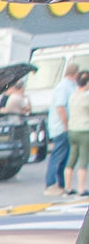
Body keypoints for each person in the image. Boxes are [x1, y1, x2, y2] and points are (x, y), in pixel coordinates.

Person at [46, 63, 78, 195]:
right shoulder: (64, 87)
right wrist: (66, 125)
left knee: (65, 156)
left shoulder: (69, 86)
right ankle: (51, 183)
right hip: (61, 127)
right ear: (74, 73)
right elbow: (61, 107)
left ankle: (62, 184)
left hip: (65, 125)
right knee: (58, 155)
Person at [68, 70, 89, 195]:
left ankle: (68, 187)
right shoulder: (86, 97)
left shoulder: (72, 96)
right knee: (83, 159)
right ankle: (81, 188)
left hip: (72, 129)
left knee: (71, 158)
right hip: (84, 130)